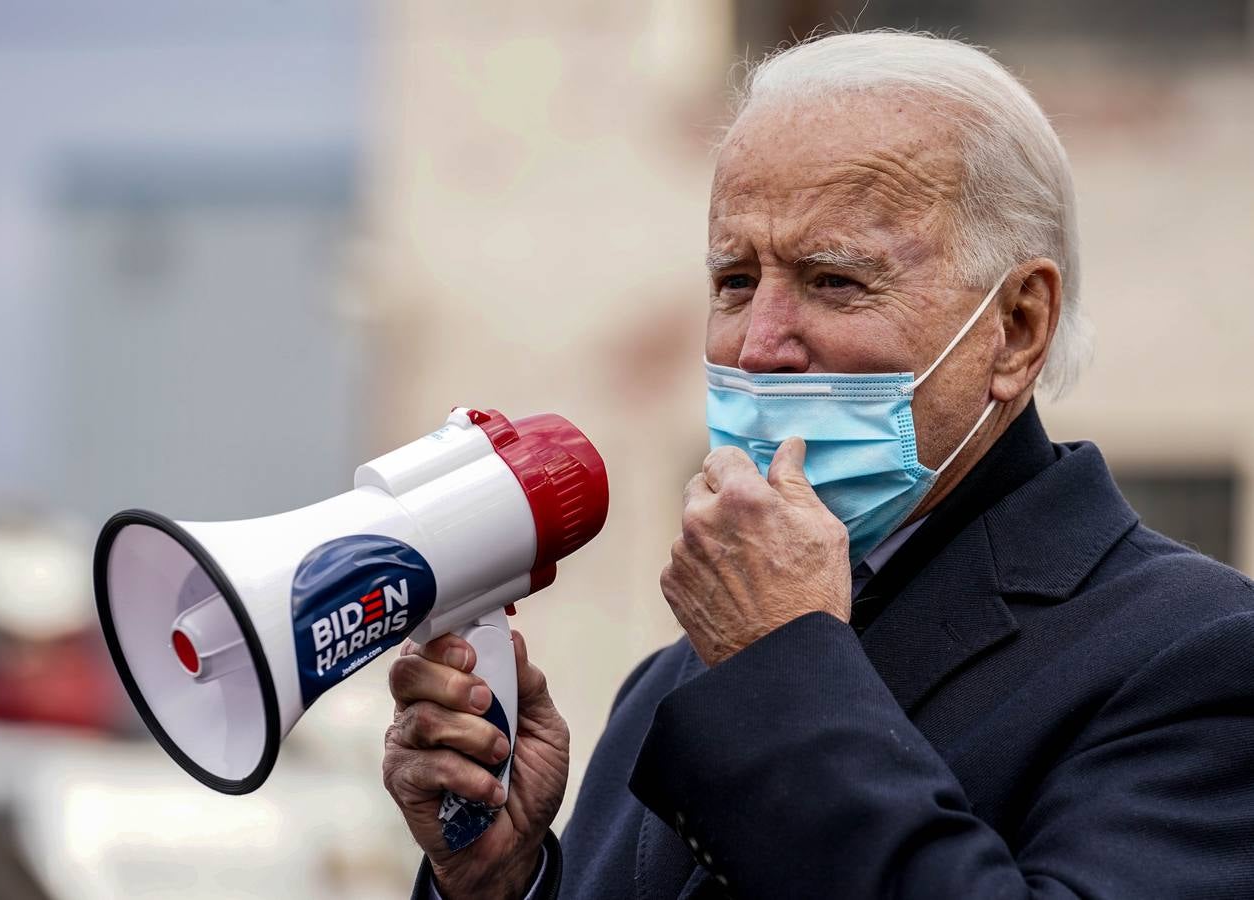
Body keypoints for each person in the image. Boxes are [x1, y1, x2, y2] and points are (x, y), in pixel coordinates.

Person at [381, 31, 1254, 899]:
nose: (759, 346)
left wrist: (781, 669)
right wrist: (503, 883)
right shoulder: (679, 677)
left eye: (834, 280)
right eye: (735, 280)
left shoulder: (1198, 656)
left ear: (1018, 327)